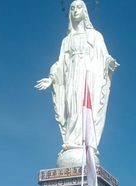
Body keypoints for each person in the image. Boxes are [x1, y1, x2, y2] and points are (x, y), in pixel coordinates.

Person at [35, 0, 118, 155]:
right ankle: (72, 143)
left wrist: (109, 62)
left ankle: (87, 143)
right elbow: (60, 63)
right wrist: (51, 78)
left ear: (85, 11)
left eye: (79, 7)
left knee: (86, 107)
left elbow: (103, 55)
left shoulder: (95, 35)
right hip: (72, 77)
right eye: (72, 8)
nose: (75, 10)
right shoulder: (66, 41)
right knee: (72, 107)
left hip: (89, 77)